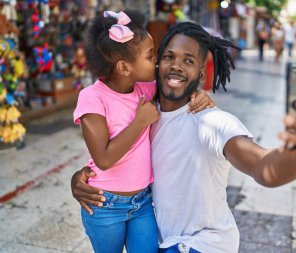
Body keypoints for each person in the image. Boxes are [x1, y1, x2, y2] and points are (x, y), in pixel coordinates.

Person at [71, 22, 296, 253]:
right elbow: (113, 147)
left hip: (203, 243)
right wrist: (82, 176)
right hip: (161, 240)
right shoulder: (145, 110)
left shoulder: (211, 121)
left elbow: (264, 167)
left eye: (188, 60)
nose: (176, 66)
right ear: (155, 64)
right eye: (168, 57)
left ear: (201, 73)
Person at [73, 11, 214, 253]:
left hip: (142, 202)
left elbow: (176, 89)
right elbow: (104, 159)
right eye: (151, 56)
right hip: (105, 204)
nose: (157, 62)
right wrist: (140, 122)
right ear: (124, 67)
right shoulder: (92, 98)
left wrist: (197, 93)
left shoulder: (145, 89)